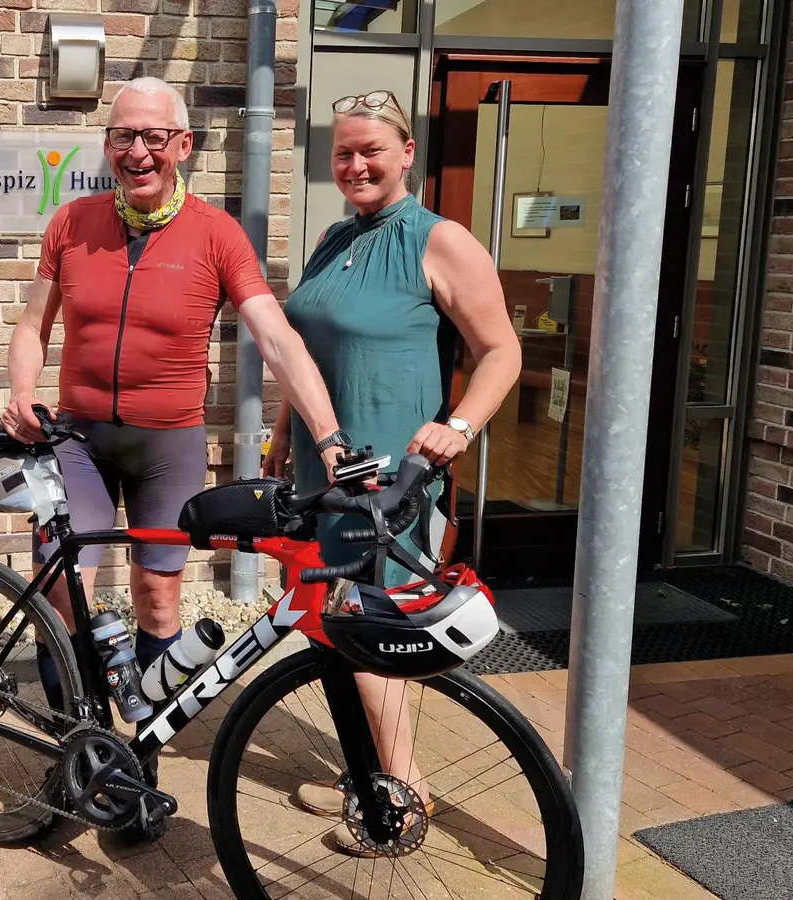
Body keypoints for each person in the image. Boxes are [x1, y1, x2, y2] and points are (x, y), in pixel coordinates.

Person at [2, 77, 349, 711]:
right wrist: (22, 390)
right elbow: (33, 324)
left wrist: (328, 439)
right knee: (59, 589)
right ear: (107, 145)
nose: (138, 152)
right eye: (122, 136)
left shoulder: (216, 234)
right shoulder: (73, 223)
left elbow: (278, 339)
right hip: (77, 439)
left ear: (183, 144)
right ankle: (76, 738)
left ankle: (146, 751)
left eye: (153, 136)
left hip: (169, 445)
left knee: (159, 596)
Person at [263, 88, 522, 855]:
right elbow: (305, 347)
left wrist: (458, 426)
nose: (356, 164)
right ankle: (366, 773)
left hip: (389, 484)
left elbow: (503, 351)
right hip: (323, 469)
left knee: (370, 626)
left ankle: (403, 798)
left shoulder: (438, 241)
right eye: (343, 152)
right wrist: (284, 428)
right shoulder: (333, 237)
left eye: (372, 149)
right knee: (331, 624)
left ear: (407, 152)